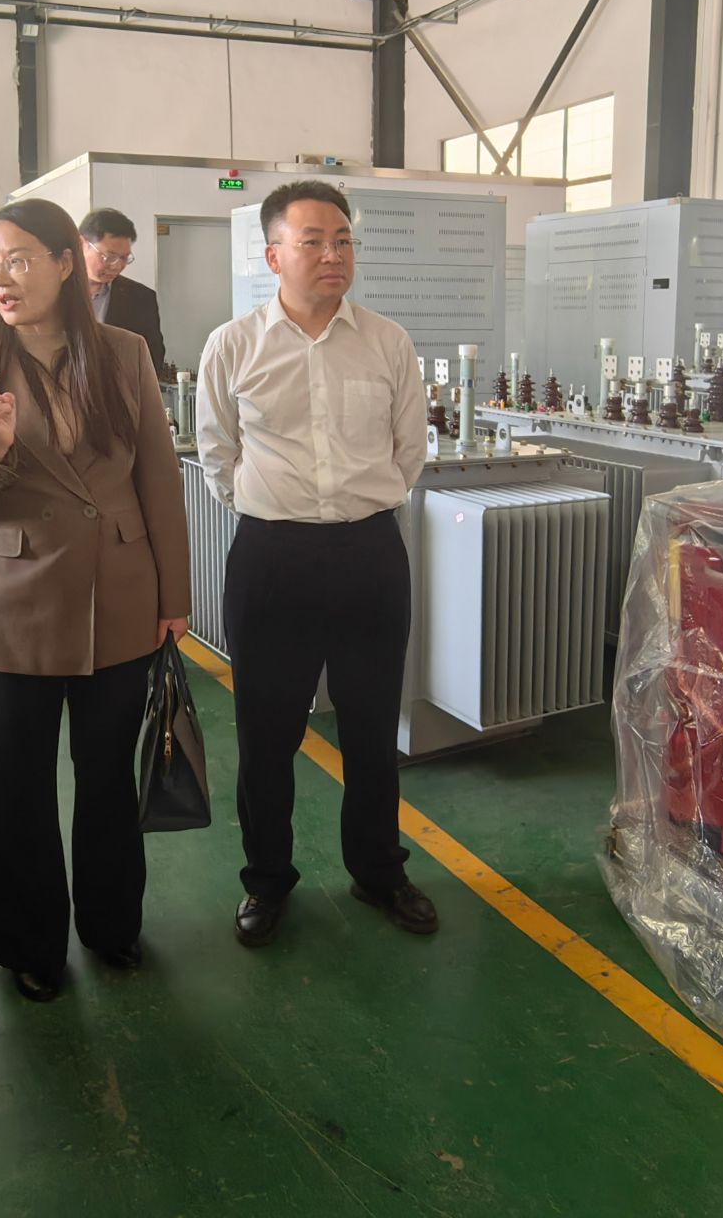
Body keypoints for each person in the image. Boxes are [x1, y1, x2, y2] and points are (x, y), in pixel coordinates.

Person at [0, 198, 190, 1003]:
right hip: (16, 608)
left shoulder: (123, 352)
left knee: (106, 780)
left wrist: (174, 596)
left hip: (121, 597)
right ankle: (31, 945)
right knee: (21, 787)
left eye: (19, 259)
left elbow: (158, 479)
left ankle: (112, 925)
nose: (1, 278)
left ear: (66, 263)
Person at [195, 180, 436, 949]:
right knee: (267, 737)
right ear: (274, 255)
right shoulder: (233, 345)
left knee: (371, 729)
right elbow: (217, 453)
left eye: (343, 240)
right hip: (273, 557)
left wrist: (362, 506)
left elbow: (409, 450)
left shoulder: (388, 342)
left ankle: (378, 870)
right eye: (313, 241)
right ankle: (267, 880)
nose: (333, 254)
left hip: (370, 553)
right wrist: (272, 508)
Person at [80, 208, 167, 377]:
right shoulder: (53, 292)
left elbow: (152, 357)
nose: (117, 266)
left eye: (124, 258)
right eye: (109, 257)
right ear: (81, 244)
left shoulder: (141, 298)